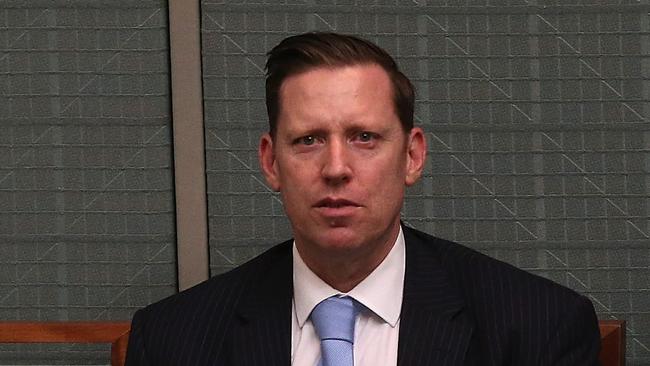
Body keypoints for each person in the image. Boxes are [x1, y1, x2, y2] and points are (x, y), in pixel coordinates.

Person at [125, 32, 601, 366]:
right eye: (308, 140)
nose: (336, 167)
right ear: (271, 162)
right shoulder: (174, 340)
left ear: (412, 156)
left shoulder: (537, 329)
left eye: (364, 137)